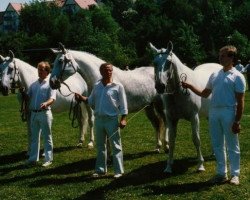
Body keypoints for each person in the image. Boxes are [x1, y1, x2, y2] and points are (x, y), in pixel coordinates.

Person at [181, 45, 246, 185]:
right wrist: (190, 86)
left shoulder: (238, 77)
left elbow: (241, 101)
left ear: (231, 57)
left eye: (223, 56)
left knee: (232, 145)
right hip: (214, 112)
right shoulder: (215, 75)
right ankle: (221, 173)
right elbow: (205, 94)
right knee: (217, 144)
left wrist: (237, 121)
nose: (220, 58)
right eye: (220, 55)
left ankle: (235, 174)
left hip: (229, 111)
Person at [75, 62, 128, 179]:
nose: (108, 72)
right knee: (100, 146)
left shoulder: (118, 86)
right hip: (99, 120)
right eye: (105, 70)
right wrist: (81, 97)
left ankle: (119, 171)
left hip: (112, 120)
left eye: (110, 70)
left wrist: (123, 119)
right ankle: (100, 170)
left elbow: (124, 105)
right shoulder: (97, 86)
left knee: (116, 146)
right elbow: (90, 101)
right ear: (101, 72)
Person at [26, 61, 56, 167]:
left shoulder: (50, 83)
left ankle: (48, 159)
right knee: (34, 137)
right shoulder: (33, 84)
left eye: (42, 69)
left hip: (45, 113)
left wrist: (46, 103)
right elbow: (28, 96)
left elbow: (53, 98)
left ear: (47, 71)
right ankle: (33, 158)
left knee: (47, 136)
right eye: (38, 69)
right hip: (34, 113)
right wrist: (22, 93)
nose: (39, 71)